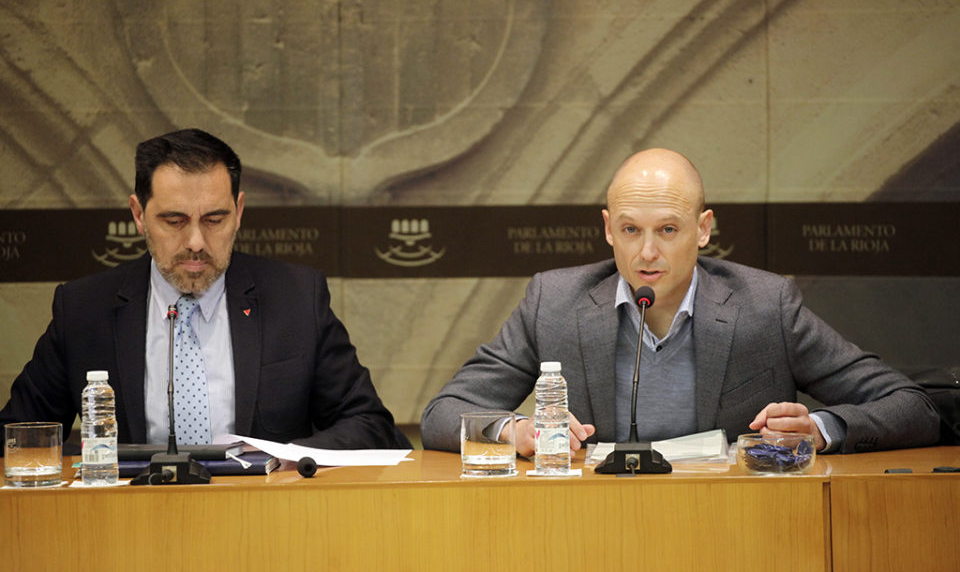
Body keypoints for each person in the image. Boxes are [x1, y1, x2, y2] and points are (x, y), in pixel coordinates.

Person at [421, 148, 939, 455]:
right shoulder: (554, 301)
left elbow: (913, 408)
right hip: (590, 527)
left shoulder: (765, 304)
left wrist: (820, 431)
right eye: (630, 230)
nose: (647, 252)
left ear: (703, 229)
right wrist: (515, 429)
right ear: (608, 230)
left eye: (668, 229)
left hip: (734, 527)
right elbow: (443, 414)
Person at [0, 128, 410, 451]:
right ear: (139, 215)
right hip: (130, 530)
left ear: (239, 212)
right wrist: (92, 465)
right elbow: (17, 436)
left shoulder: (297, 298)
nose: (196, 241)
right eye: (175, 221)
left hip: (265, 524)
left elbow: (369, 425)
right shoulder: (84, 308)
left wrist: (283, 460)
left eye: (214, 219)